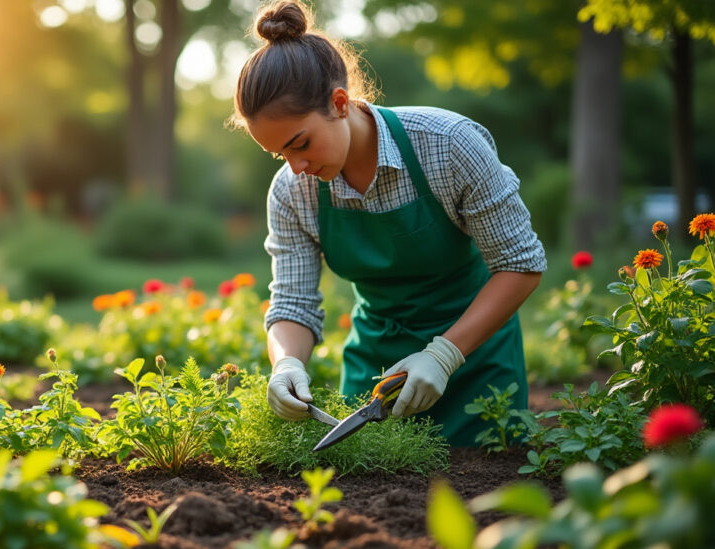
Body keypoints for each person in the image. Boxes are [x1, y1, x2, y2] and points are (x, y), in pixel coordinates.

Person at [231, 0, 546, 445]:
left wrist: (443, 355)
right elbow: (293, 303)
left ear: (339, 104)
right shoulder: (291, 191)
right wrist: (287, 364)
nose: (295, 166)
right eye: (280, 154)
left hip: (476, 362)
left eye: (300, 144)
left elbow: (521, 264)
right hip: (375, 371)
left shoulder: (449, 146)